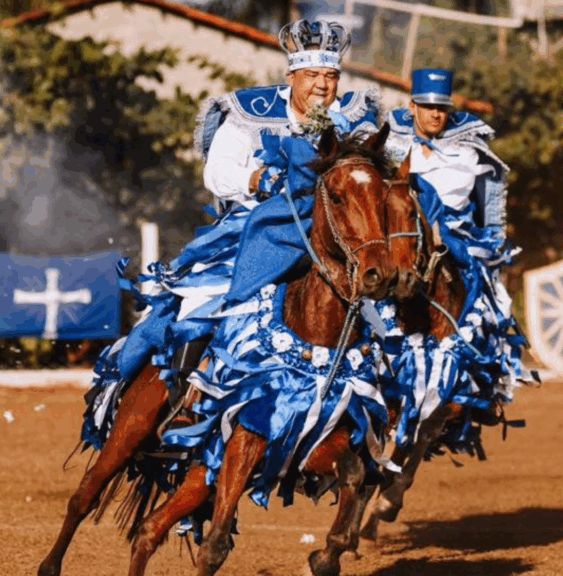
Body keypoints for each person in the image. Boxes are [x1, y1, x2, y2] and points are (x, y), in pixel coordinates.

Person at [124, 18, 379, 423]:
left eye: (331, 76)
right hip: (250, 230)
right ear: (291, 74)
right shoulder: (250, 112)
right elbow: (216, 172)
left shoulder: (353, 120)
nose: (322, 85)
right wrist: (256, 178)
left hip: (331, 240)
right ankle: (184, 398)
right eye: (312, 74)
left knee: (385, 315)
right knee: (197, 303)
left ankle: (373, 409)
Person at [378, 68, 533, 449]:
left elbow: (493, 192)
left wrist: (493, 241)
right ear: (412, 105)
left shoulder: (470, 146)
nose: (435, 114)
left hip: (458, 240)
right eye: (428, 106)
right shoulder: (389, 143)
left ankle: (486, 386)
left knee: (492, 301)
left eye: (442, 108)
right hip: (402, 236)